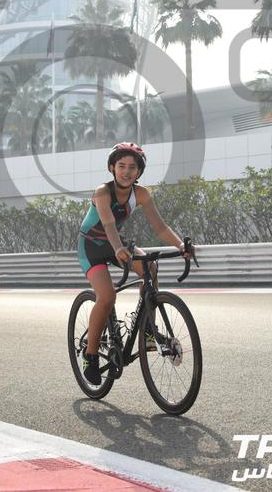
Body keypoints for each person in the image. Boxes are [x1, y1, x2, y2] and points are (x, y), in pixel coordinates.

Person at [78, 141, 192, 385]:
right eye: (121, 166)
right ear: (112, 168)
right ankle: (90, 355)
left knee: (150, 267)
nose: (126, 171)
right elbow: (108, 224)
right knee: (107, 297)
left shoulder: (141, 194)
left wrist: (180, 246)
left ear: (139, 171)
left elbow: (160, 227)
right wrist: (118, 248)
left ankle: (148, 329)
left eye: (132, 167)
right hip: (91, 247)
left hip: (116, 244)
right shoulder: (103, 192)